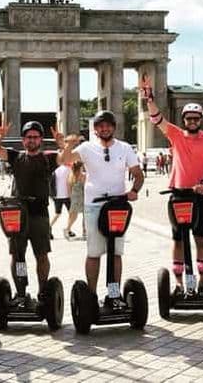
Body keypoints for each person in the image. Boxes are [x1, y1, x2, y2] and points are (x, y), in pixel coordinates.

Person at [139, 76, 203, 295]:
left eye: (196, 118)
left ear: (201, 119)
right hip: (178, 194)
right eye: (189, 118)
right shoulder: (176, 135)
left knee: (200, 238)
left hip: (200, 195)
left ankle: (201, 283)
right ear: (184, 119)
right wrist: (149, 100)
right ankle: (179, 284)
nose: (192, 121)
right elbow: (157, 119)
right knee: (177, 239)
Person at [58, 110, 143, 300]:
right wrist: (68, 145)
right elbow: (65, 160)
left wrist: (135, 190)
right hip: (94, 206)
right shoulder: (87, 148)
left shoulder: (124, 148)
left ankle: (114, 294)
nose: (105, 129)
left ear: (114, 127)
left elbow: (138, 174)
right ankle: (91, 296)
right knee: (94, 252)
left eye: (108, 125)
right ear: (95, 129)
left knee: (116, 253)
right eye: (100, 126)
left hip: (118, 206)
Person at [0, 120, 60, 300]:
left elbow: (67, 158)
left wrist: (62, 144)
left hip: (40, 214)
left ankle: (43, 291)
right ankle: (21, 292)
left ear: (41, 140)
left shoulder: (48, 159)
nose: (32, 140)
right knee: (17, 255)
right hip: (17, 215)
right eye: (28, 137)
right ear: (23, 140)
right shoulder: (16, 157)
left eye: (35, 137)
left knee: (41, 255)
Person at [65, 160, 86, 240]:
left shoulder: (70, 176)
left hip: (74, 197)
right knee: (85, 215)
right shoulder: (83, 175)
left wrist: (70, 197)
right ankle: (84, 231)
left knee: (73, 216)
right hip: (82, 197)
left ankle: (67, 229)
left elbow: (69, 189)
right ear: (80, 167)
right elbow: (85, 187)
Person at [50, 163, 71, 239]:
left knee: (57, 213)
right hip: (67, 195)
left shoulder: (56, 170)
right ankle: (68, 229)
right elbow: (70, 182)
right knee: (71, 213)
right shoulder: (69, 169)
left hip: (57, 196)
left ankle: (49, 227)